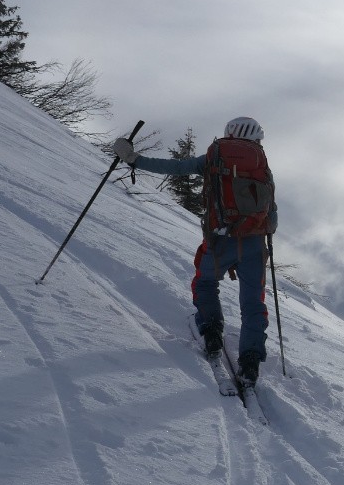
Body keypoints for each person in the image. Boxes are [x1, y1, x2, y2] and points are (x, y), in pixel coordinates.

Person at [114, 117, 278, 385]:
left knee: (205, 282)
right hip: (254, 243)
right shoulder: (261, 165)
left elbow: (175, 167)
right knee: (253, 302)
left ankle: (211, 330)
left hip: (220, 239)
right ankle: (250, 361)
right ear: (257, 139)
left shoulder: (213, 159)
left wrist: (132, 158)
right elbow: (271, 213)